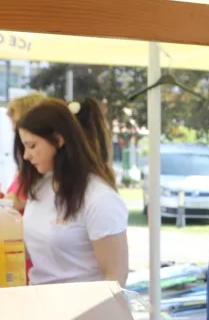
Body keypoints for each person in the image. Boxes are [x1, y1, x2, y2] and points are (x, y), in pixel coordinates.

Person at [16, 98, 129, 285]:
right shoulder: (39, 188)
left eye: (32, 146)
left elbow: (116, 277)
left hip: (85, 310)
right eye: (24, 147)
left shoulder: (99, 198)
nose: (26, 156)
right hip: (39, 306)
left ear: (58, 140)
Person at [5, 92, 48, 211]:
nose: (13, 128)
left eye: (17, 122)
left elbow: (15, 203)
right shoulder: (28, 164)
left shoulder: (39, 168)